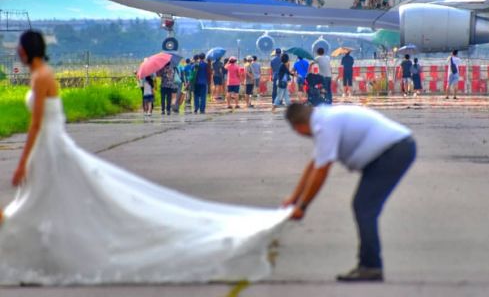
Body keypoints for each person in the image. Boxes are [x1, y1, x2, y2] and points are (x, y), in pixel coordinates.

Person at [0, 30, 290, 284]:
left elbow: (36, 124)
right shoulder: (45, 75)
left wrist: (23, 162)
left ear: (26, 50)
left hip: (48, 145)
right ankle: (42, 249)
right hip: (53, 144)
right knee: (51, 198)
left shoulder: (40, 78)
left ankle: (38, 249)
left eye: (18, 49)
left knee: (46, 198)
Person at [283, 103, 417, 282]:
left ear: (298, 127)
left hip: (394, 150)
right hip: (394, 149)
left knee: (364, 207)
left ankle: (371, 266)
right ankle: (368, 264)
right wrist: (294, 199)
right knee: (364, 207)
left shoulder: (325, 124)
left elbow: (322, 169)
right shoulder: (323, 119)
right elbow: (314, 164)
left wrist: (303, 206)